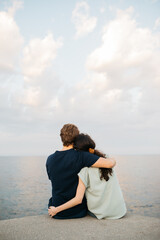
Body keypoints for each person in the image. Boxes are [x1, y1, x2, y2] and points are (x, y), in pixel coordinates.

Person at [48, 134, 126, 219]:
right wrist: (113, 159)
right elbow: (111, 162)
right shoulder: (106, 159)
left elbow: (78, 199)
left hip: (100, 213)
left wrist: (56, 210)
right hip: (120, 211)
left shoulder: (84, 170)